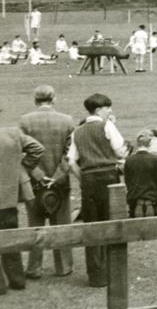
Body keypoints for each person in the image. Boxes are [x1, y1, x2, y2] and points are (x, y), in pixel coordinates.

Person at [67, 93, 128, 288]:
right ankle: (114, 270)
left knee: (92, 225)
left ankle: (96, 275)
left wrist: (83, 179)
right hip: (109, 178)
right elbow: (120, 150)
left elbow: (71, 162)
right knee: (112, 223)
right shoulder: (107, 125)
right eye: (108, 107)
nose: (110, 111)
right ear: (99, 109)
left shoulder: (77, 131)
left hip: (89, 180)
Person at [19, 85, 75, 278]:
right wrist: (58, 175)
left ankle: (34, 267)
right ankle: (64, 266)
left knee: (35, 223)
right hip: (60, 181)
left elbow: (24, 152)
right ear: (54, 99)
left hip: (35, 181)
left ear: (35, 100)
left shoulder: (25, 121)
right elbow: (70, 153)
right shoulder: (67, 120)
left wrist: (38, 174)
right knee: (61, 223)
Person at [0, 124, 44, 294]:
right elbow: (37, 148)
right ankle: (17, 280)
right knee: (11, 238)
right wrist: (22, 166)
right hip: (8, 196)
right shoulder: (12, 133)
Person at [124, 133, 157, 217]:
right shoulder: (155, 159)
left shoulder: (129, 160)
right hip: (152, 197)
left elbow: (127, 181)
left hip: (135, 197)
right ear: (149, 144)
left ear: (137, 144)